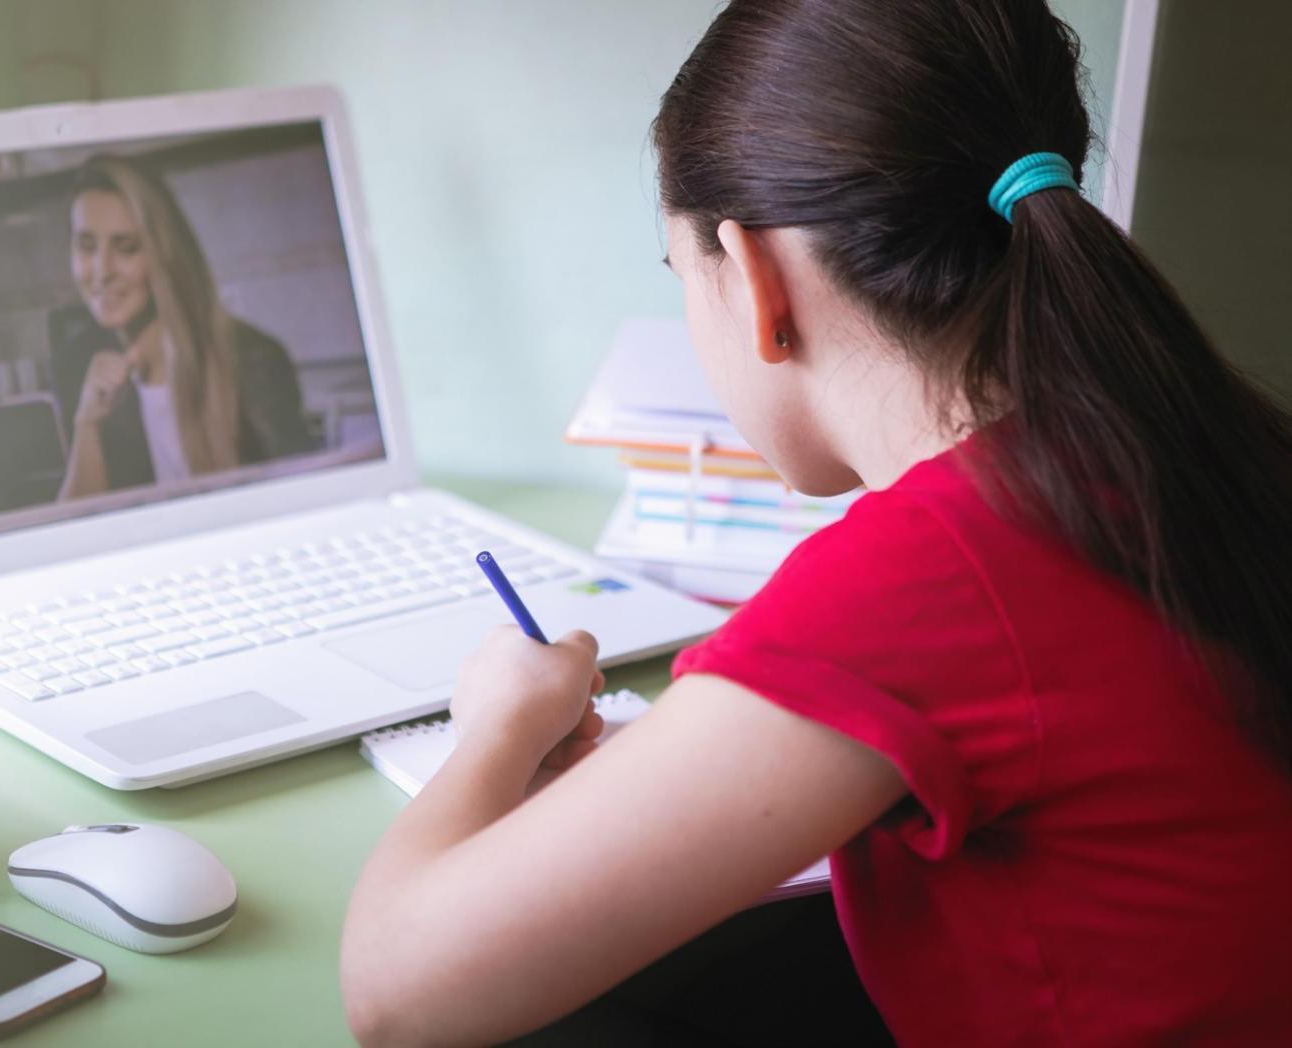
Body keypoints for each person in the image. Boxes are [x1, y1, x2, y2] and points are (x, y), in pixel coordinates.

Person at [339, 1, 1292, 1044]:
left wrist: (497, 725)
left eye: (678, 278)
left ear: (755, 280)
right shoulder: (1184, 443)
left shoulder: (934, 573)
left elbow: (395, 995)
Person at [53, 155, 313, 500]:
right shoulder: (76, 362)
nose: (102, 271)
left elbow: (299, 505)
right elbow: (76, 533)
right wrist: (86, 424)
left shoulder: (252, 359)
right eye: (86, 247)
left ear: (164, 253)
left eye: (126, 248)